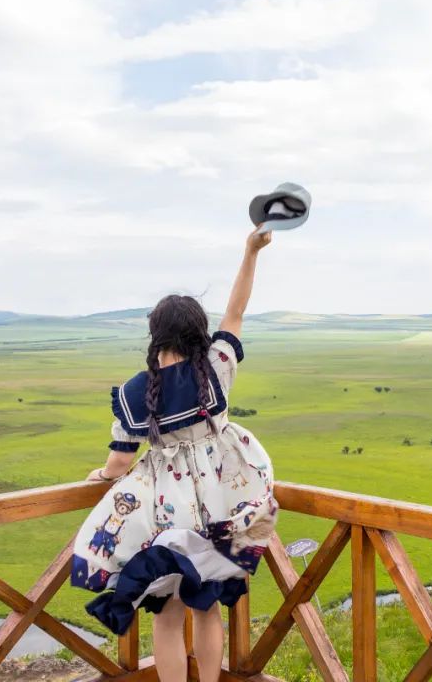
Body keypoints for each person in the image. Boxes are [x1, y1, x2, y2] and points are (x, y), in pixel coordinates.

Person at [70, 226, 278, 682]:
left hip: (167, 513)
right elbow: (237, 310)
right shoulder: (217, 367)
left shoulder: (135, 392)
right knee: (207, 611)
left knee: (167, 614)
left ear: (154, 333)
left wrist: (103, 477)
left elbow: (120, 460)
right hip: (222, 504)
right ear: (198, 332)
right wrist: (250, 251)